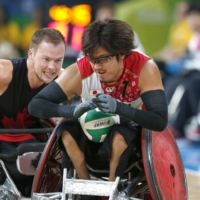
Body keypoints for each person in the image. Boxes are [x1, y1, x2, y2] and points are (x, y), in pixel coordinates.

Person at [28, 19, 168, 200]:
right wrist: (73, 111)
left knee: (119, 134)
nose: (96, 66)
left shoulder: (144, 69)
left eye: (103, 59)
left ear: (122, 54)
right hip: (90, 144)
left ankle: (110, 189)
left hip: (131, 143)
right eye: (92, 59)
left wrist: (120, 108)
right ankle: (86, 191)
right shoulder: (80, 70)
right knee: (66, 130)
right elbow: (36, 105)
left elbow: (159, 120)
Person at [0, 27, 66, 197]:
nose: (52, 67)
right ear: (31, 53)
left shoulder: (64, 80)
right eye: (46, 59)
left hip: (32, 143)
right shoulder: (4, 73)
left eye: (58, 60)